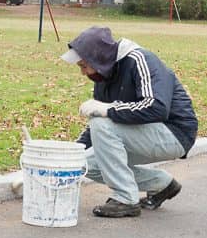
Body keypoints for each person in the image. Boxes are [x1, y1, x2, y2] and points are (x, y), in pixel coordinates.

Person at [61, 26, 198, 217]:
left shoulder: (140, 60)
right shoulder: (103, 77)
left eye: (84, 66)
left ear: (98, 60)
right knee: (82, 165)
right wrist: (66, 158)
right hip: (143, 133)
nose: (82, 73)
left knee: (101, 124)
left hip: (174, 133)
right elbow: (102, 125)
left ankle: (126, 198)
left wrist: (108, 109)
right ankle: (161, 184)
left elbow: (157, 107)